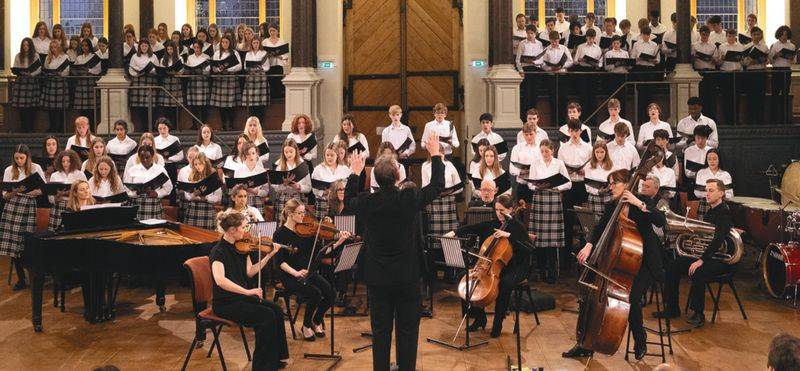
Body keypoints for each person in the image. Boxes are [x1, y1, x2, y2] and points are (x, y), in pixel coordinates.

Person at [344, 132, 444, 371]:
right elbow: (437, 186)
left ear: (375, 179)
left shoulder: (369, 202)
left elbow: (348, 200)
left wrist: (355, 172)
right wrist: (436, 154)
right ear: (399, 175)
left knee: (380, 332)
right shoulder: (408, 198)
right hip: (408, 276)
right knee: (407, 331)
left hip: (378, 278)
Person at [564, 168, 666, 360]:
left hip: (646, 263)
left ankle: (640, 338)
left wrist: (640, 203)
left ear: (628, 184)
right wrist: (588, 245)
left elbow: (660, 221)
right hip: (620, 262)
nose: (610, 187)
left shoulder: (642, 201)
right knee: (590, 293)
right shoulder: (612, 206)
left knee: (632, 298)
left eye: (614, 184)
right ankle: (584, 343)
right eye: (610, 183)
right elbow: (599, 228)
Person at [210, 210, 289, 370]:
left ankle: (275, 358)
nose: (247, 231)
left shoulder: (241, 247)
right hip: (226, 303)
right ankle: (262, 366)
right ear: (232, 230)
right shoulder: (217, 252)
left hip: (240, 298)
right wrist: (247, 292)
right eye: (244, 227)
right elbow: (220, 280)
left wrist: (268, 256)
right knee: (266, 316)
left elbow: (250, 271)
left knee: (276, 310)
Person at [444, 194, 532, 337]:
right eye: (497, 210)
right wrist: (454, 232)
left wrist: (509, 236)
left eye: (502, 210)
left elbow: (528, 248)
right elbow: (471, 227)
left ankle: (498, 323)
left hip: (516, 267)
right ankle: (479, 318)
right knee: (465, 279)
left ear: (511, 209)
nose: (499, 214)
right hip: (493, 267)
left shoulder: (518, 227)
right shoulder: (492, 224)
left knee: (504, 284)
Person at [272, 199, 351, 341]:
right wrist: (295, 273)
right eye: (299, 213)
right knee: (315, 293)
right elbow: (280, 262)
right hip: (290, 275)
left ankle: (316, 320)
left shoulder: (307, 232)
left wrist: (340, 241)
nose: (303, 216)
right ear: (290, 213)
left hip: (308, 272)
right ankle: (306, 325)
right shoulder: (279, 234)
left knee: (331, 293)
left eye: (304, 212)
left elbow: (319, 254)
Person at [659, 179, 733, 328]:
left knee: (698, 271)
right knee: (674, 266)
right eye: (706, 190)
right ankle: (672, 307)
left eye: (711, 190)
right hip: (709, 256)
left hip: (721, 260)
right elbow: (704, 237)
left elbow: (718, 240)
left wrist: (701, 259)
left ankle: (699, 314)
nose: (707, 193)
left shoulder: (724, 213)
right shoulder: (710, 211)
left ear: (721, 193)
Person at [1, 144, 45, 290]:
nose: (19, 161)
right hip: (12, 206)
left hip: (28, 205)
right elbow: (5, 195)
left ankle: (33, 276)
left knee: (27, 242)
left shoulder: (35, 168)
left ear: (27, 157)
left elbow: (42, 190)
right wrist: (16, 191)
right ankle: (21, 279)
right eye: (16, 158)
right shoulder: (9, 170)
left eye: (22, 158)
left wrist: (29, 192)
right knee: (13, 243)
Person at [527, 139, 572, 282]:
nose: (544, 154)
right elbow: (530, 183)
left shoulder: (559, 163)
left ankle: (552, 272)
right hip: (539, 199)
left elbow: (569, 183)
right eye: (542, 151)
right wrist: (536, 187)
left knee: (552, 240)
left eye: (547, 151)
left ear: (552, 150)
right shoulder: (535, 163)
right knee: (539, 238)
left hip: (553, 199)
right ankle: (541, 271)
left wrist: (557, 187)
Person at [559, 119, 593, 266]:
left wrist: (583, 170)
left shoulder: (588, 148)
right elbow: (560, 168)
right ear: (569, 132)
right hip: (569, 186)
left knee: (585, 221)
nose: (574, 134)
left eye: (576, 131)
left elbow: (592, 167)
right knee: (567, 220)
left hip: (583, 185)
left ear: (580, 131)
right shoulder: (563, 148)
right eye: (571, 131)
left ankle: (585, 255)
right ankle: (566, 258)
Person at [124, 145, 173, 221]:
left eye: (147, 157)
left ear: (152, 156)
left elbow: (168, 187)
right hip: (137, 204)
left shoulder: (160, 169)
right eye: (142, 158)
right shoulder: (132, 170)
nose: (145, 160)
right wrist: (136, 193)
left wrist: (157, 193)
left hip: (154, 204)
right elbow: (126, 189)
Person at [48, 149, 87, 231]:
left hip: (74, 205)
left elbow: (86, 192)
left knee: (74, 230)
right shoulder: (55, 175)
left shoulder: (79, 174)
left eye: (68, 161)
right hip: (59, 207)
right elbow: (50, 196)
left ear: (73, 161)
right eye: (63, 161)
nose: (65, 163)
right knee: (56, 232)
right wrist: (57, 197)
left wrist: (74, 193)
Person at [311, 142, 351, 219]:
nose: (329, 157)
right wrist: (324, 192)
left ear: (337, 155)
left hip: (340, 203)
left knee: (340, 226)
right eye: (327, 155)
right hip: (323, 203)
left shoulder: (345, 169)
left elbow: (349, 187)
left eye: (332, 155)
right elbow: (314, 189)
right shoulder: (318, 169)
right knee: (323, 228)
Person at [182, 153, 222, 230]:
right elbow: (187, 196)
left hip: (208, 209)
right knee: (192, 234)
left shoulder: (213, 177)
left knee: (208, 236)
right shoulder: (191, 176)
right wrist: (194, 194)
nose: (198, 166)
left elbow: (218, 197)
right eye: (195, 164)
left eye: (200, 164)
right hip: (193, 209)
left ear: (205, 163)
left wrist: (207, 198)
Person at [273, 138, 311, 215]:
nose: (288, 154)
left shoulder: (302, 165)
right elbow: (275, 188)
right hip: (283, 199)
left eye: (291, 151)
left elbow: (308, 188)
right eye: (286, 152)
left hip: (298, 198)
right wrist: (284, 184)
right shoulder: (279, 166)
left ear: (296, 151)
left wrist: (298, 187)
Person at [12, 37, 42, 131]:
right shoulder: (18, 56)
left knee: (31, 106)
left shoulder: (35, 55)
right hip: (21, 82)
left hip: (31, 82)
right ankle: (24, 127)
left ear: (30, 46)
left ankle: (30, 127)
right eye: (24, 45)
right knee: (21, 107)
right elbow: (16, 67)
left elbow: (39, 68)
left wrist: (31, 74)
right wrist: (20, 72)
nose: (25, 47)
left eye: (27, 45)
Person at [694, 149, 733, 221]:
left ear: (719, 160)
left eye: (715, 159)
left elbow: (730, 194)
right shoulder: (701, 173)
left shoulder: (725, 174)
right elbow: (697, 193)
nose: (712, 161)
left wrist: (716, 197)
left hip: (721, 205)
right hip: (705, 203)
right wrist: (714, 194)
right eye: (709, 159)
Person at [128, 39, 160, 126]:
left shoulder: (153, 56)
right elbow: (131, 68)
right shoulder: (135, 56)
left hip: (150, 81)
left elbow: (157, 68)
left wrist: (152, 72)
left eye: (146, 46)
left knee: (150, 106)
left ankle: (150, 126)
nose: (144, 48)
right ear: (139, 47)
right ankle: (142, 126)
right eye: (142, 46)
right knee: (140, 107)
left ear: (148, 47)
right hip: (139, 81)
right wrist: (138, 73)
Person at [42, 39, 71, 132]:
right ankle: (53, 127)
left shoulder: (64, 57)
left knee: (60, 107)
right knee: (51, 108)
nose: (53, 49)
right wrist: (49, 73)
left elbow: (67, 71)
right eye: (51, 47)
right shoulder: (48, 58)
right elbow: (45, 69)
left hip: (60, 82)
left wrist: (59, 74)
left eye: (55, 47)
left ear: (58, 47)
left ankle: (60, 128)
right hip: (51, 83)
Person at [768, 26, 795, 124]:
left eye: (786, 35)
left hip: (786, 70)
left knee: (785, 94)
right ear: (779, 35)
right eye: (782, 34)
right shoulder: (775, 45)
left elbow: (794, 60)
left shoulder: (791, 46)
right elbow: (770, 60)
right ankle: (774, 118)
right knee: (775, 94)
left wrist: (791, 58)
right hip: (776, 70)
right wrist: (776, 55)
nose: (784, 36)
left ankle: (785, 118)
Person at [510, 122, 543, 203]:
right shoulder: (517, 148)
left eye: (531, 134)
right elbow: (511, 168)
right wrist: (521, 172)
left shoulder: (541, 147)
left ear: (535, 133)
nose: (528, 137)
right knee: (522, 212)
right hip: (522, 185)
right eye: (526, 134)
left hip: (538, 185)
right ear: (523, 134)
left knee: (537, 213)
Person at [516, 24, 545, 115]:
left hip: (536, 69)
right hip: (526, 70)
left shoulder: (539, 44)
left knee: (535, 94)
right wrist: (521, 70)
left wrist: (535, 62)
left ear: (535, 34)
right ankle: (526, 116)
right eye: (528, 33)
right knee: (527, 94)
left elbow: (541, 58)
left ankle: (534, 115)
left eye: (531, 33)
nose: (529, 35)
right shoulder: (522, 43)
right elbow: (518, 59)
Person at [742, 26, 768, 124]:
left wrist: (759, 60)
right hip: (750, 73)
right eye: (754, 34)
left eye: (758, 34)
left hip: (761, 72)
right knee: (750, 96)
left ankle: (760, 118)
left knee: (760, 96)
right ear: (751, 35)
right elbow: (743, 62)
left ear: (761, 35)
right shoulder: (746, 47)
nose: (756, 36)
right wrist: (749, 61)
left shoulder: (764, 47)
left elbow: (768, 60)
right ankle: (750, 119)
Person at [234, 142, 270, 211]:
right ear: (244, 156)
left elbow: (265, 192)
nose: (251, 156)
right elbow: (235, 189)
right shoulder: (239, 171)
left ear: (257, 154)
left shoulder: (262, 171)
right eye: (248, 154)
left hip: (258, 201)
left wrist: (255, 191)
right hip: (243, 201)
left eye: (253, 153)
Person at [242, 37, 270, 119]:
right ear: (251, 44)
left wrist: (261, 68)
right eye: (254, 43)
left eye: (257, 43)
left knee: (261, 102)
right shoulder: (248, 54)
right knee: (251, 102)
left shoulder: (264, 53)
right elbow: (245, 66)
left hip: (261, 78)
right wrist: (250, 68)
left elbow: (267, 66)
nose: (255, 45)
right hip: (251, 78)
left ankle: (260, 120)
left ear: (259, 44)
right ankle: (251, 119)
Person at [184, 41, 211, 124]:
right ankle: (194, 124)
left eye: (198, 47)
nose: (196, 49)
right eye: (195, 47)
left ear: (201, 48)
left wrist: (202, 71)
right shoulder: (190, 57)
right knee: (193, 105)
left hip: (202, 81)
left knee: (204, 105)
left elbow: (208, 70)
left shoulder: (206, 57)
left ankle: (204, 123)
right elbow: (187, 68)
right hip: (193, 81)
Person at [584, 142, 615, 215]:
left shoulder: (611, 164)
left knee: (608, 221)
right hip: (595, 198)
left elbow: (614, 180)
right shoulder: (589, 166)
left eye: (602, 152)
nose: (599, 155)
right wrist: (598, 191)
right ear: (594, 153)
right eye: (597, 152)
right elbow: (587, 186)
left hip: (609, 197)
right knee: (596, 222)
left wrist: (609, 187)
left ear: (606, 152)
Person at [262, 23, 289, 99]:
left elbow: (286, 56)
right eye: (270, 31)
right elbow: (262, 54)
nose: (272, 33)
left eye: (274, 31)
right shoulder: (265, 41)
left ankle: (278, 98)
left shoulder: (281, 41)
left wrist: (280, 56)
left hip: (279, 65)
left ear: (277, 31)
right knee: (271, 82)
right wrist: (269, 55)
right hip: (269, 65)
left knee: (278, 82)